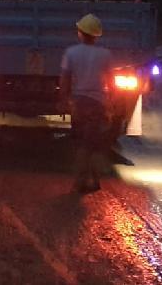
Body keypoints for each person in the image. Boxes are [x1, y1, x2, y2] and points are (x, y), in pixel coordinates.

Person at [59, 13, 111, 194]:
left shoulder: (71, 53)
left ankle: (79, 181)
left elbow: (65, 78)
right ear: (97, 35)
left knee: (81, 143)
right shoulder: (105, 54)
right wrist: (110, 103)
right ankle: (95, 179)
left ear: (80, 32)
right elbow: (109, 81)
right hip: (98, 103)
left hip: (79, 102)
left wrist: (64, 100)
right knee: (94, 142)